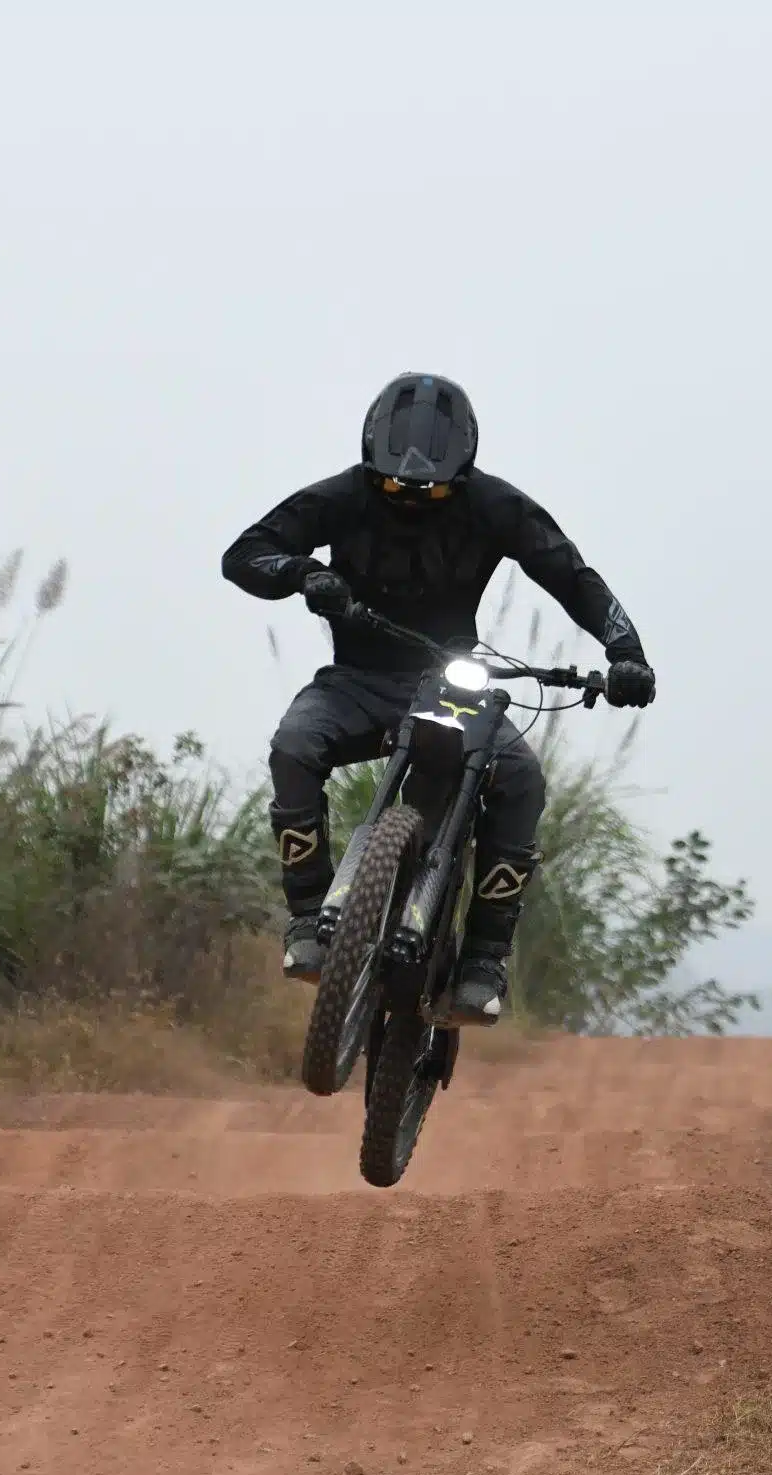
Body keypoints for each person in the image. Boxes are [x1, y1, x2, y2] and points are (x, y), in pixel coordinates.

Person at [221, 372, 657, 1023]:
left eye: (434, 490)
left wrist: (626, 653)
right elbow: (244, 555)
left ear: (465, 472)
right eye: (394, 487)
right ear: (371, 463)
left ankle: (483, 960)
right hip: (355, 680)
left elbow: (572, 576)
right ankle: (308, 918)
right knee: (292, 747)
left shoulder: (495, 505)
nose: (411, 500)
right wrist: (304, 573)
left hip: (451, 685)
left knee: (522, 781)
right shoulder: (342, 495)